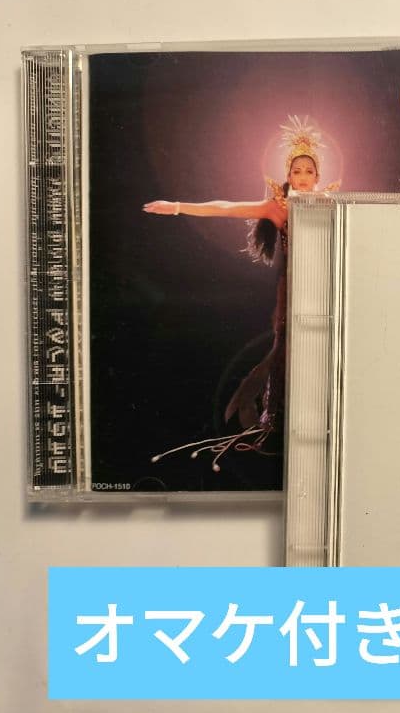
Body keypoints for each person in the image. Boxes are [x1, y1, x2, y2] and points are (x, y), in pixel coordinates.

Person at [142, 116, 335, 471]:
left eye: (309, 171)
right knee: (285, 350)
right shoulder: (278, 207)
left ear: (317, 176)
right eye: (297, 171)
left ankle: (323, 425)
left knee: (322, 348)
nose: (303, 177)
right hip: (293, 287)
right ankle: (275, 425)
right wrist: (178, 207)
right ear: (289, 176)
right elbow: (226, 207)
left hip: (325, 284)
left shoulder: (330, 203)